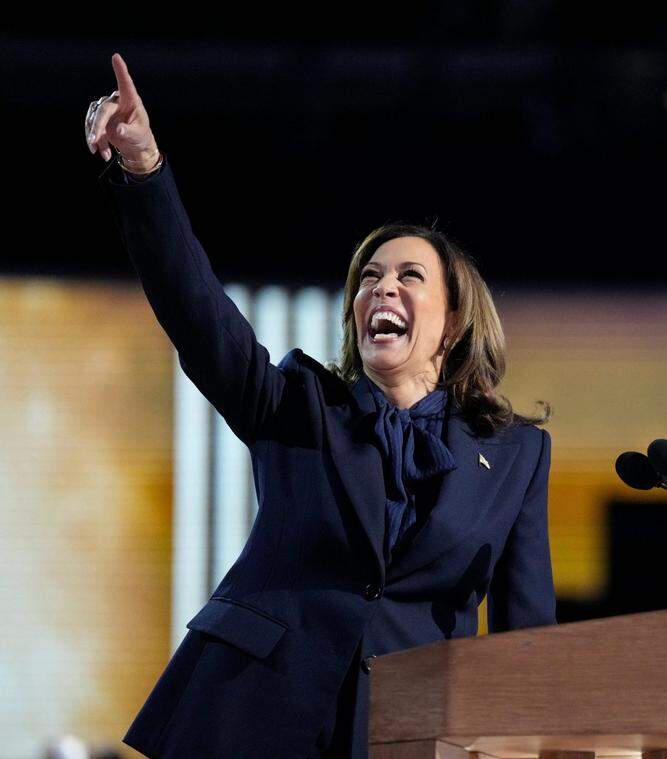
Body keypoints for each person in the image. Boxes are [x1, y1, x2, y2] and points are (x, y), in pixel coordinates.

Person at [86, 52, 556, 758]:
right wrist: (145, 167)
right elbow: (196, 310)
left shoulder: (517, 453)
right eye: (368, 278)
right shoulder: (298, 405)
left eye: (408, 276)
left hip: (411, 732)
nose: (381, 289)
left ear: (455, 322)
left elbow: (528, 636)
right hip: (252, 715)